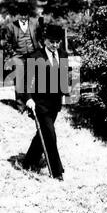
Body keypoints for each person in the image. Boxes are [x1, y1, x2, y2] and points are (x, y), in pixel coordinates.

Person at [20, 24, 69, 181]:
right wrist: (28, 99)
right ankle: (56, 171)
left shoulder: (63, 55)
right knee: (50, 135)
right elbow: (24, 81)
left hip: (55, 103)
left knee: (42, 133)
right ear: (45, 41)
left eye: (57, 42)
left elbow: (64, 77)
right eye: (51, 42)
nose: (54, 45)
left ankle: (28, 162)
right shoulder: (35, 57)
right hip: (39, 104)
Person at [5, 1, 41, 112]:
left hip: (32, 54)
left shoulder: (35, 23)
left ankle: (32, 103)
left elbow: (40, 38)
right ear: (18, 14)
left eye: (26, 15)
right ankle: (20, 106)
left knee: (31, 79)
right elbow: (7, 42)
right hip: (18, 55)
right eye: (22, 15)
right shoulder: (11, 26)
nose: (24, 17)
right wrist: (12, 53)